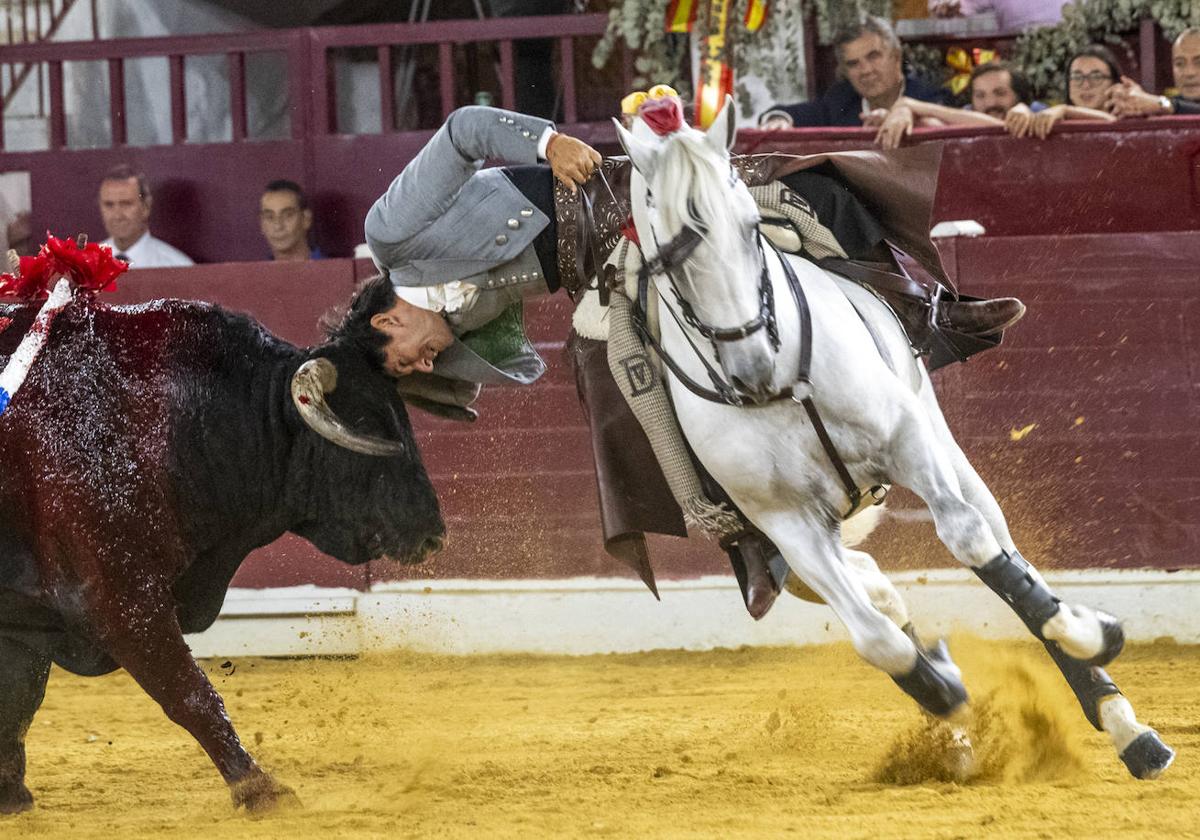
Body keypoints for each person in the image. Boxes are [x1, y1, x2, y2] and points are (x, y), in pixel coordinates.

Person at [363, 102, 1024, 618]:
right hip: (611, 269)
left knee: (812, 195)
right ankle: (747, 537)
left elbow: (461, 132)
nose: (423, 365)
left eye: (403, 361)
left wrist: (547, 143)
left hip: (629, 197)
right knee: (610, 387)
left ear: (387, 317)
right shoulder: (451, 326)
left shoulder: (390, 234)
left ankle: (926, 311)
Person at [758, 15, 949, 129]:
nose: (865, 70)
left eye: (873, 56)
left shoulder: (930, 98)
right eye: (853, 63)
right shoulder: (840, 100)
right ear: (845, 71)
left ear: (896, 56)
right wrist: (778, 121)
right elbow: (784, 113)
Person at [1004, 44, 1118, 138]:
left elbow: (1113, 123)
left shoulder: (1126, 115)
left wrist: (1066, 110)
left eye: (1096, 77)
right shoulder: (1050, 115)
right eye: (1077, 77)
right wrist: (1022, 110)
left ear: (1113, 83)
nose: (1086, 85)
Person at [97, 164, 194, 269]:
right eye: (109, 205)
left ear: (146, 207)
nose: (117, 215)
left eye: (126, 204)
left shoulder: (176, 266)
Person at [1104, 28, 1200, 118]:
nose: (1189, 73)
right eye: (1179, 63)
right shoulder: (1170, 105)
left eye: (1199, 63)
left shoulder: (1167, 105)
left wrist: (1161, 105)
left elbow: (1168, 105)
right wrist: (1130, 103)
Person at [260, 179, 324, 261]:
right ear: (262, 224)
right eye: (270, 217)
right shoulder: (255, 273)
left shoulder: (334, 271)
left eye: (288, 215)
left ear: (306, 219)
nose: (278, 226)